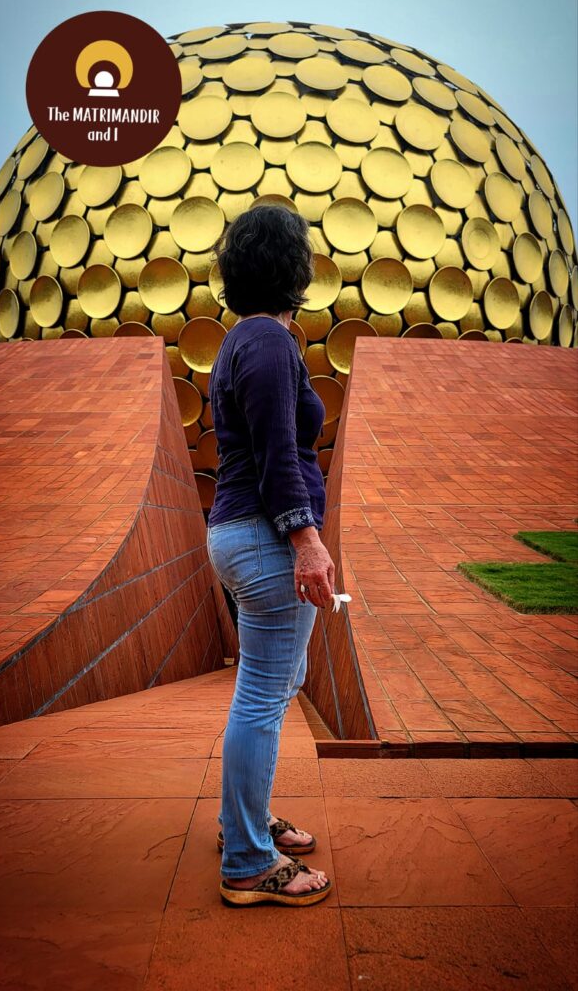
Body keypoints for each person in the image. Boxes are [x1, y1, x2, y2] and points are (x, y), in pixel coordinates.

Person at [206, 204, 336, 907]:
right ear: (293, 266)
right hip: (263, 537)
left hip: (242, 536)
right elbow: (277, 454)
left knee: (275, 686)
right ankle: (250, 860)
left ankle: (244, 823)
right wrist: (306, 540)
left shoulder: (245, 338)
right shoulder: (266, 343)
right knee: (261, 699)